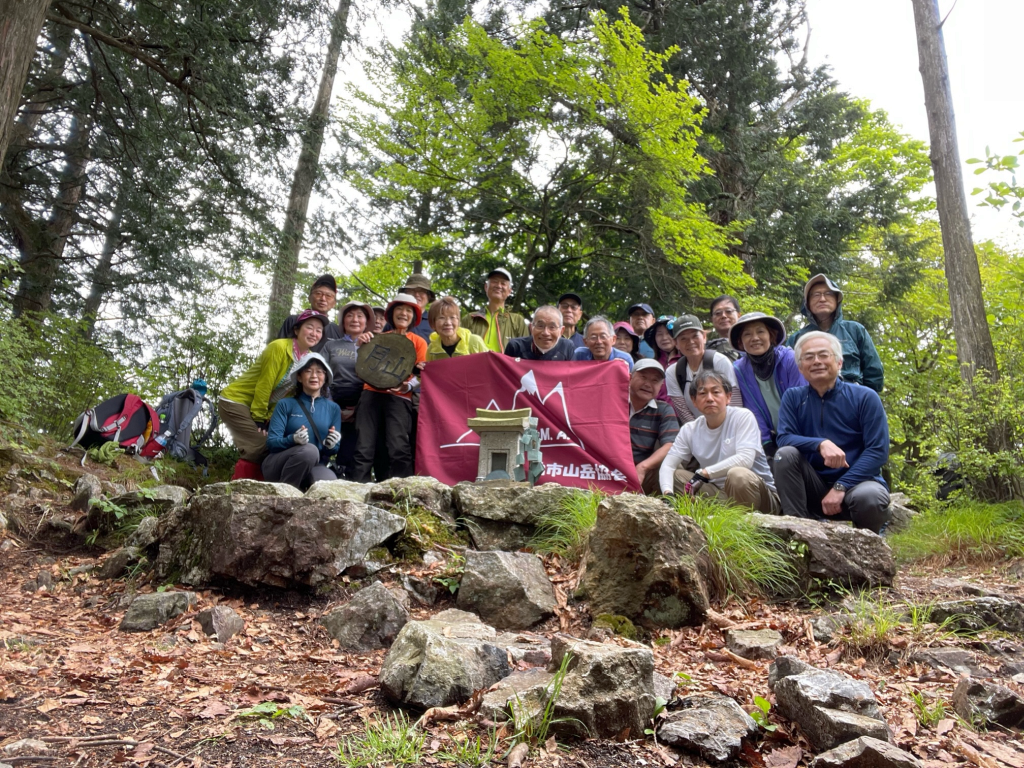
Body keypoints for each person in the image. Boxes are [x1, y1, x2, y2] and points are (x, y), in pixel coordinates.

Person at [774, 332, 890, 533]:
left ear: (839, 362)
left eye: (823, 355)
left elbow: (878, 451)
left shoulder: (865, 397)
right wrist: (820, 444)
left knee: (870, 497)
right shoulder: (793, 397)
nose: (817, 361)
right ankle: (798, 536)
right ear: (801, 368)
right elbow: (784, 437)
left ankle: (870, 548)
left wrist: (841, 486)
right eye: (809, 357)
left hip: (857, 485)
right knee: (785, 455)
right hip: (814, 486)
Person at [659, 369, 780, 514]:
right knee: (676, 476)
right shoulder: (690, 429)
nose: (710, 398)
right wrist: (668, 494)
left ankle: (744, 526)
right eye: (702, 393)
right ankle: (721, 515)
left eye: (716, 392)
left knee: (737, 475)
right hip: (720, 495)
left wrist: (705, 473)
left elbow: (745, 459)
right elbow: (668, 465)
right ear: (694, 401)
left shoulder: (742, 417)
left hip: (759, 497)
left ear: (728, 397)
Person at [219, 309, 329, 463]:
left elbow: (288, 393)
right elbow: (265, 384)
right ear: (296, 330)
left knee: (277, 441)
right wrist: (259, 417)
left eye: (319, 330)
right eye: (309, 327)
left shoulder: (309, 359)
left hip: (260, 408)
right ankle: (242, 481)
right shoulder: (278, 347)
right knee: (262, 445)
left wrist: (270, 417)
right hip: (236, 401)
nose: (314, 333)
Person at [351, 294, 429, 482]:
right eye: (400, 309)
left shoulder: (419, 342)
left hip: (400, 398)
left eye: (409, 311)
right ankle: (357, 489)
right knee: (364, 445)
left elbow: (421, 374)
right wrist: (359, 345)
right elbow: (361, 365)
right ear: (392, 314)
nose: (404, 313)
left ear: (413, 317)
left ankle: (404, 493)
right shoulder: (377, 338)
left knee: (398, 446)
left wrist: (407, 386)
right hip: (371, 393)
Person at [788, 274, 884, 392]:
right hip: (811, 401)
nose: (822, 299)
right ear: (807, 303)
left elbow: (874, 372)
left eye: (828, 294)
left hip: (852, 397)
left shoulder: (855, 330)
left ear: (837, 299)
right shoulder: (797, 338)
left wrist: (865, 400)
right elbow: (788, 374)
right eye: (816, 295)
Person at [730, 312, 806, 458]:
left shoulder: (790, 359)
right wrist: (765, 442)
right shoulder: (739, 369)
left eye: (760, 331)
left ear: (771, 336)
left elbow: (799, 400)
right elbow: (752, 408)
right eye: (747, 334)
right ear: (740, 341)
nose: (755, 338)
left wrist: (787, 437)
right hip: (774, 438)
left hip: (801, 432)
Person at [262, 353, 342, 490]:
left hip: (314, 466)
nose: (314, 376)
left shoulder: (333, 408)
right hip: (278, 464)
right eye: (308, 371)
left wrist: (331, 445)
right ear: (299, 377)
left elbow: (332, 450)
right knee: (309, 451)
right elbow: (272, 443)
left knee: (330, 483)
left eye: (319, 372)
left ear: (325, 377)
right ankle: (286, 495)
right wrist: (293, 439)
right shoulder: (285, 404)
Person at [321, 302, 375, 479]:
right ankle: (318, 473)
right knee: (326, 440)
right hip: (333, 397)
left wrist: (356, 408)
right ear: (343, 322)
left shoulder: (374, 346)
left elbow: (377, 377)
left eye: (360, 316)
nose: (355, 320)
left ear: (366, 322)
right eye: (350, 315)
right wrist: (332, 406)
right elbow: (320, 374)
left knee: (353, 446)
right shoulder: (331, 346)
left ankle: (347, 476)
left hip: (362, 400)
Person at [665, 314, 742, 423]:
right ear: (676, 344)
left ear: (704, 337)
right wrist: (700, 433)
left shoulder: (719, 361)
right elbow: (682, 410)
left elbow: (734, 400)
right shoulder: (673, 372)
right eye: (683, 339)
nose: (690, 342)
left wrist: (727, 429)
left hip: (729, 425)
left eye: (695, 336)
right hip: (698, 429)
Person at [628, 360, 680, 495]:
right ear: (630, 377)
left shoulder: (663, 410)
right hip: (607, 470)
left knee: (673, 469)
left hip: (642, 473)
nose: (647, 384)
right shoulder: (613, 401)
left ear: (660, 386)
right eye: (643, 377)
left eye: (655, 381)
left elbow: (670, 444)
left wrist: (643, 467)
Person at [461, 267, 528, 352]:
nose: (498, 286)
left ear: (509, 291)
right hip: (475, 364)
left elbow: (525, 352)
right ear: (486, 287)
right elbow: (458, 348)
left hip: (504, 365)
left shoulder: (517, 321)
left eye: (503, 283)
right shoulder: (470, 318)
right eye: (494, 282)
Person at [276, 275, 342, 352]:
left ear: (334, 303)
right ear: (309, 298)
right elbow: (279, 350)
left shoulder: (337, 331)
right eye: (318, 293)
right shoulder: (293, 321)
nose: (323, 298)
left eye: (328, 296)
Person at [505, 306, 577, 361]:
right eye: (540, 326)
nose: (545, 333)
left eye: (552, 327)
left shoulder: (567, 347)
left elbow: (571, 377)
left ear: (561, 331)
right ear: (531, 328)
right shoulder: (516, 347)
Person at [643, 315, 681, 403]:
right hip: (656, 413)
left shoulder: (687, 361)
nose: (664, 338)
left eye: (668, 333)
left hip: (683, 414)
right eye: (659, 334)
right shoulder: (652, 364)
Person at [391, 273, 434, 342]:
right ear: (405, 294)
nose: (416, 294)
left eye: (421, 291)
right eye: (411, 290)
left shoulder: (434, 322)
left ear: (428, 296)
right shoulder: (394, 319)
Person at [706, 295, 742, 362]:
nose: (723, 316)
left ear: (739, 315)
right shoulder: (706, 351)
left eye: (728, 311)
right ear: (712, 320)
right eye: (718, 313)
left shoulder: (752, 343)